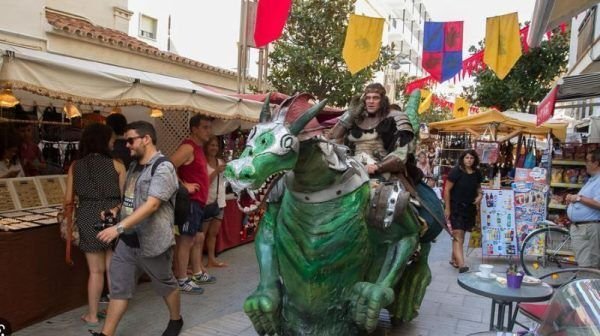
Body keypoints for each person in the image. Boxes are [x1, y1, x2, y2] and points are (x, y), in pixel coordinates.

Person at [92, 121, 183, 336]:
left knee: (165, 285)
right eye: (125, 141)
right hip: (128, 242)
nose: (128, 146)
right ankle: (106, 334)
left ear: (146, 139)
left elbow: (152, 204)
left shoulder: (163, 167)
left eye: (131, 140)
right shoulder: (134, 167)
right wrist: (116, 211)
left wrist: (118, 228)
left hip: (153, 242)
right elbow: (131, 200)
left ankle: (176, 320)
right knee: (119, 289)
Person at [64, 123, 126, 327]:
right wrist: (115, 209)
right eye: (111, 139)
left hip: (87, 215)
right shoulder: (117, 165)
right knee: (112, 268)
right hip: (111, 216)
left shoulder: (75, 166)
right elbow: (126, 198)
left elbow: (67, 199)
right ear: (103, 140)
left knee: (95, 271)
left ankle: (92, 314)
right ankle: (112, 309)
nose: (113, 142)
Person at [327, 83, 419, 184]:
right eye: (368, 98)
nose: (371, 101)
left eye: (375, 98)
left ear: (383, 100)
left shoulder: (396, 117)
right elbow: (331, 141)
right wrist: (350, 115)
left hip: (385, 174)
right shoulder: (356, 118)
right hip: (352, 172)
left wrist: (377, 167)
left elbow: (400, 155)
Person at [170, 114, 216, 295]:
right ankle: (182, 279)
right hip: (189, 202)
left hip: (198, 202)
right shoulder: (188, 147)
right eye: (205, 127)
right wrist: (184, 185)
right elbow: (168, 166)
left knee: (195, 239)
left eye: (209, 127)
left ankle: (195, 272)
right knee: (185, 240)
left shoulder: (197, 148)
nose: (208, 131)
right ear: (194, 129)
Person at [444, 149, 483, 273]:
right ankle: (461, 265)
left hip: (470, 208)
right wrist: (447, 208)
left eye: (471, 158)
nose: (469, 160)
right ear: (462, 159)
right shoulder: (456, 172)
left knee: (461, 235)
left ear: (474, 160)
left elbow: (479, 188)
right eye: (467, 158)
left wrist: (480, 196)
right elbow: (446, 190)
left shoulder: (477, 173)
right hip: (456, 207)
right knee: (458, 235)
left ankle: (453, 259)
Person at [564, 148, 600, 269]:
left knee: (588, 265)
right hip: (582, 228)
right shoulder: (592, 180)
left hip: (588, 228)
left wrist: (579, 198)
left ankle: (589, 286)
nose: (586, 164)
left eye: (588, 161)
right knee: (584, 263)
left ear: (596, 163)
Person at [202, 136, 228, 268]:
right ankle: (197, 263)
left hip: (220, 202)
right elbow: (203, 183)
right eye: (211, 145)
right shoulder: (202, 163)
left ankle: (211, 259)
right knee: (201, 235)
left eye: (216, 145)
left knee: (213, 234)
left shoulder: (220, 161)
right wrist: (216, 171)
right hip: (206, 201)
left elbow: (224, 181)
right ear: (206, 146)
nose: (214, 148)